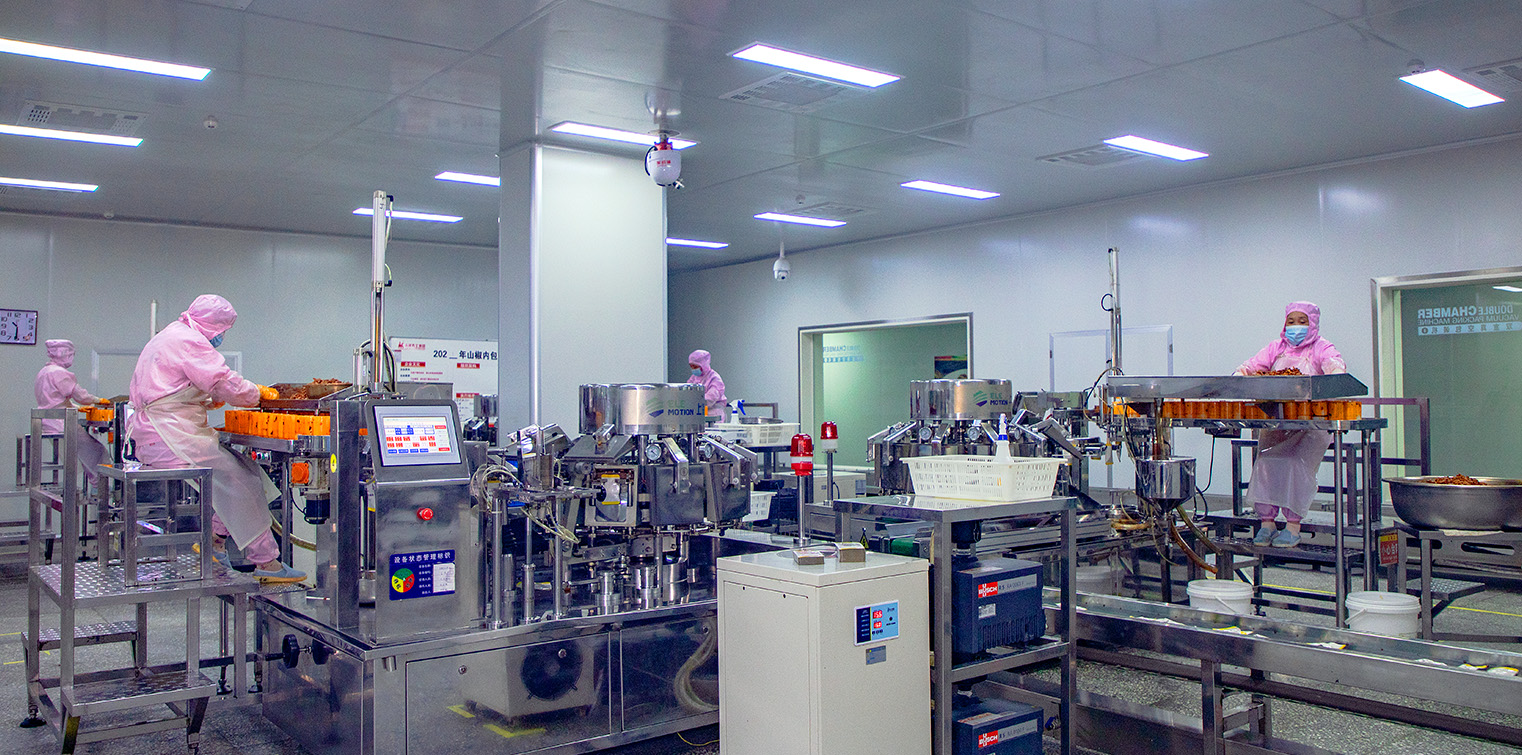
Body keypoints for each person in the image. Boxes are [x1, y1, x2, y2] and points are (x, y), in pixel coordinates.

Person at [127, 294, 305, 583]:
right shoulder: (189, 340)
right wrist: (257, 393)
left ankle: (215, 543)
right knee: (240, 481)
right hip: (170, 436)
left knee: (250, 472)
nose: (222, 336)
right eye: (222, 330)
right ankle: (266, 562)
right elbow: (223, 381)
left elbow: (172, 386)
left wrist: (207, 399)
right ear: (212, 325)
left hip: (157, 435)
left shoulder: (170, 335)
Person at [1234, 302, 1347, 548]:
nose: (1296, 327)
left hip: (1312, 425)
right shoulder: (1276, 348)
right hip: (1277, 422)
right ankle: (1267, 524)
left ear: (1313, 323)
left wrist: (1335, 374)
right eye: (1291, 321)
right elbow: (1252, 366)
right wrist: (1240, 375)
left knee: (1296, 464)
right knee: (1265, 463)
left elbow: (1334, 366)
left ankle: (1293, 526)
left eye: (1302, 321)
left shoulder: (1321, 347)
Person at [34, 339, 109, 481]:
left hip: (48, 422)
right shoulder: (59, 373)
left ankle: (94, 485)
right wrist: (98, 400)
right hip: (62, 424)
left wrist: (79, 408)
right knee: (97, 452)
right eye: (70, 355)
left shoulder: (43, 372)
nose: (71, 358)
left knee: (86, 454)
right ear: (64, 354)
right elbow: (81, 396)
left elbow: (53, 400)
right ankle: (98, 487)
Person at [686, 349, 728, 421]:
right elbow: (687, 391)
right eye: (691, 366)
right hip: (699, 413)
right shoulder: (693, 378)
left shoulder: (714, 378)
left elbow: (711, 397)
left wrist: (695, 402)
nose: (693, 369)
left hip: (714, 414)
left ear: (703, 364)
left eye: (695, 366)